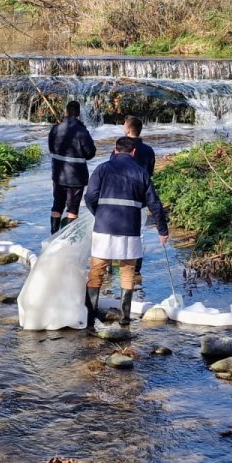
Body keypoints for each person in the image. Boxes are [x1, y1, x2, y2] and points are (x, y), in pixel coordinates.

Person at [84, 136, 169, 328]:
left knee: (97, 271)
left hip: (103, 227)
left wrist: (98, 213)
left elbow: (90, 196)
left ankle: (89, 317)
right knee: (128, 271)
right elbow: (154, 204)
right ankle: (124, 317)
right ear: (133, 152)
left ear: (115, 150)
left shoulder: (102, 169)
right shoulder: (141, 172)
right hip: (130, 228)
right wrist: (162, 230)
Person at [47, 100, 96, 235]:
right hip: (76, 176)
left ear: (66, 112)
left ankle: (53, 233)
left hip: (58, 174)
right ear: (79, 113)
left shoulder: (55, 128)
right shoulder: (82, 131)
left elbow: (51, 148)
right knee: (72, 208)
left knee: (57, 204)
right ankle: (69, 238)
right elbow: (91, 152)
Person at [123, 115, 157, 295]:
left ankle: (120, 264)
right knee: (139, 234)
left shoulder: (120, 147)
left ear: (128, 129)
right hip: (141, 199)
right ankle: (136, 268)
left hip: (121, 197)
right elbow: (149, 173)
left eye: (124, 125)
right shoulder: (149, 150)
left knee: (118, 231)